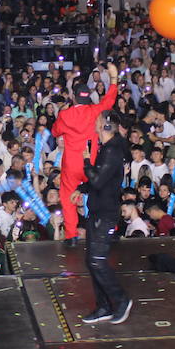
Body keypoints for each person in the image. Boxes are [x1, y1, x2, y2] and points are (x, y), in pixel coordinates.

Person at [51, 63, 120, 244]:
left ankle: (72, 235)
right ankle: (112, 229)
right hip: (92, 161)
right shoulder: (95, 110)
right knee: (103, 193)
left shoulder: (65, 115)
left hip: (72, 164)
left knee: (68, 197)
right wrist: (113, 79)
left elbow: (54, 132)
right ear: (88, 97)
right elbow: (109, 100)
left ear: (73, 97)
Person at [76, 110, 132, 325]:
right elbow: (100, 180)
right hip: (98, 210)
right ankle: (104, 306)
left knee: (97, 260)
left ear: (107, 126)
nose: (95, 127)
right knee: (91, 261)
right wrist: (82, 188)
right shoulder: (107, 148)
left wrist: (86, 163)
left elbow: (98, 180)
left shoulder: (113, 151)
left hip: (106, 214)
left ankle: (121, 300)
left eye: (98, 123)